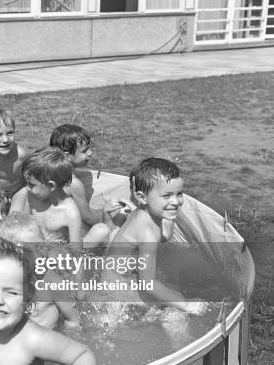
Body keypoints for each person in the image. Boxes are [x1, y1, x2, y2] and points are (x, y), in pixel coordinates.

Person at [106, 158, 208, 315]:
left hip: (118, 282)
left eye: (179, 194)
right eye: (167, 196)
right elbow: (148, 283)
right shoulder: (147, 232)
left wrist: (169, 216)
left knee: (171, 298)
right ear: (142, 198)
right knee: (175, 310)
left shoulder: (143, 213)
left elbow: (165, 236)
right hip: (115, 296)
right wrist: (186, 305)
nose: (176, 201)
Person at [11, 147, 108, 247]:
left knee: (102, 230)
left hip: (59, 251)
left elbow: (76, 251)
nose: (27, 188)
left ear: (51, 185)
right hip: (37, 247)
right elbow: (20, 226)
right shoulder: (30, 196)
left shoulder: (70, 212)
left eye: (31, 184)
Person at [0, 213, 80, 329]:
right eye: (27, 251)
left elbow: (73, 320)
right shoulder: (1, 281)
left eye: (40, 247)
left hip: (47, 341)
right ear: (8, 254)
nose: (38, 257)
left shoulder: (52, 283)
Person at [49, 123, 129, 228]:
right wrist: (106, 220)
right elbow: (88, 219)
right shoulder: (73, 183)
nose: (90, 153)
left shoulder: (49, 172)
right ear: (67, 156)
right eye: (84, 151)